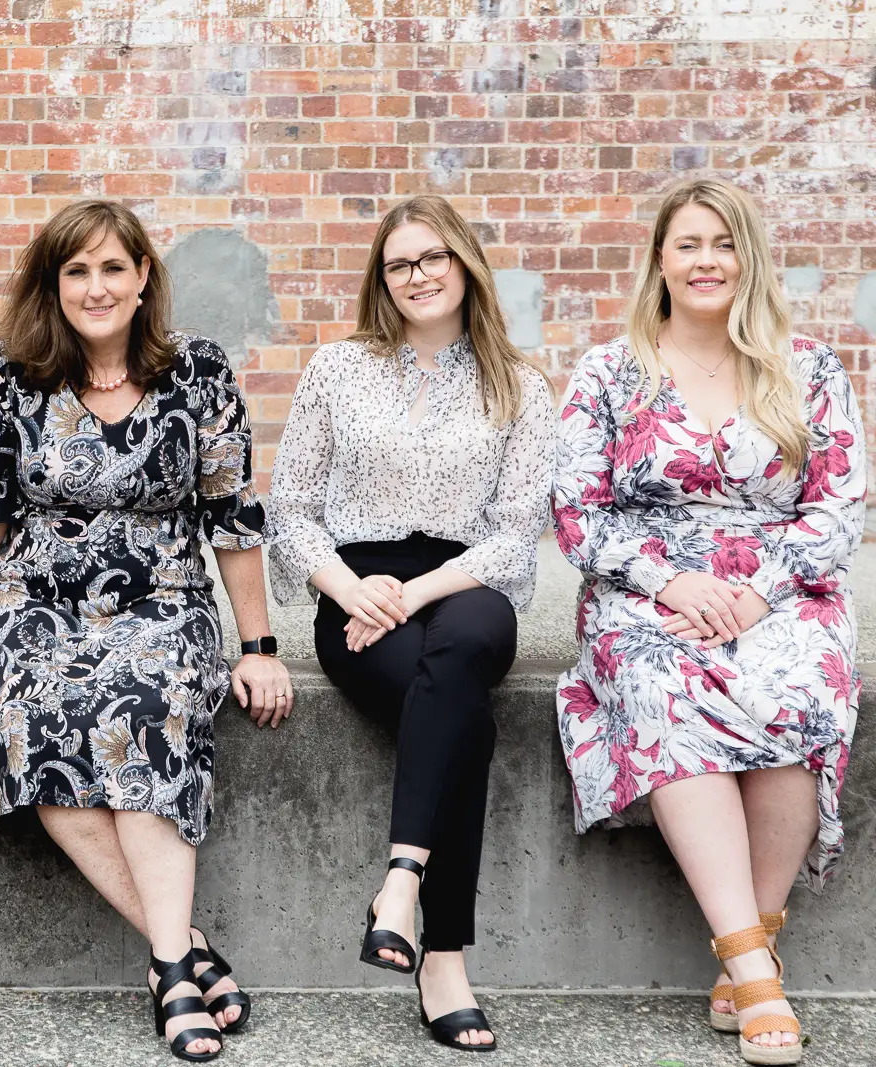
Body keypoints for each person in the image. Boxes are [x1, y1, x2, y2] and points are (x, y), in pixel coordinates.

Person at [0, 199, 288, 1062]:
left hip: (163, 602)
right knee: (28, 713)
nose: (96, 286)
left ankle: (166, 961)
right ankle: (185, 959)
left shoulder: (198, 371)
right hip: (31, 605)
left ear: (144, 276)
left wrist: (258, 646)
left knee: (146, 704)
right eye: (76, 270)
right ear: (54, 283)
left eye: (113, 267)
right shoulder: (12, 373)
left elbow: (233, 513)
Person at [553, 177, 863, 1066]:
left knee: (800, 686)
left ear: (747, 258)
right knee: (660, 683)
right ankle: (757, 969)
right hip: (649, 593)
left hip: (783, 584)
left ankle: (747, 948)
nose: (706, 261)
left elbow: (838, 503)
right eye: (688, 244)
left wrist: (762, 592)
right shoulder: (611, 373)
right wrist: (671, 582)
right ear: (660, 259)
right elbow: (577, 510)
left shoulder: (806, 367)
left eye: (723, 244)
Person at [268, 194, 555, 1052]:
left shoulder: (522, 385)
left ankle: (401, 880)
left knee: (464, 644)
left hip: (464, 583)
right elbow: (291, 508)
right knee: (456, 705)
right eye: (399, 264)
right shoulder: (337, 368)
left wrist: (415, 590)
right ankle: (446, 960)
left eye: (433, 257)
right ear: (380, 280)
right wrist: (351, 590)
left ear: (465, 264)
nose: (418, 275)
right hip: (356, 593)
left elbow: (514, 532)